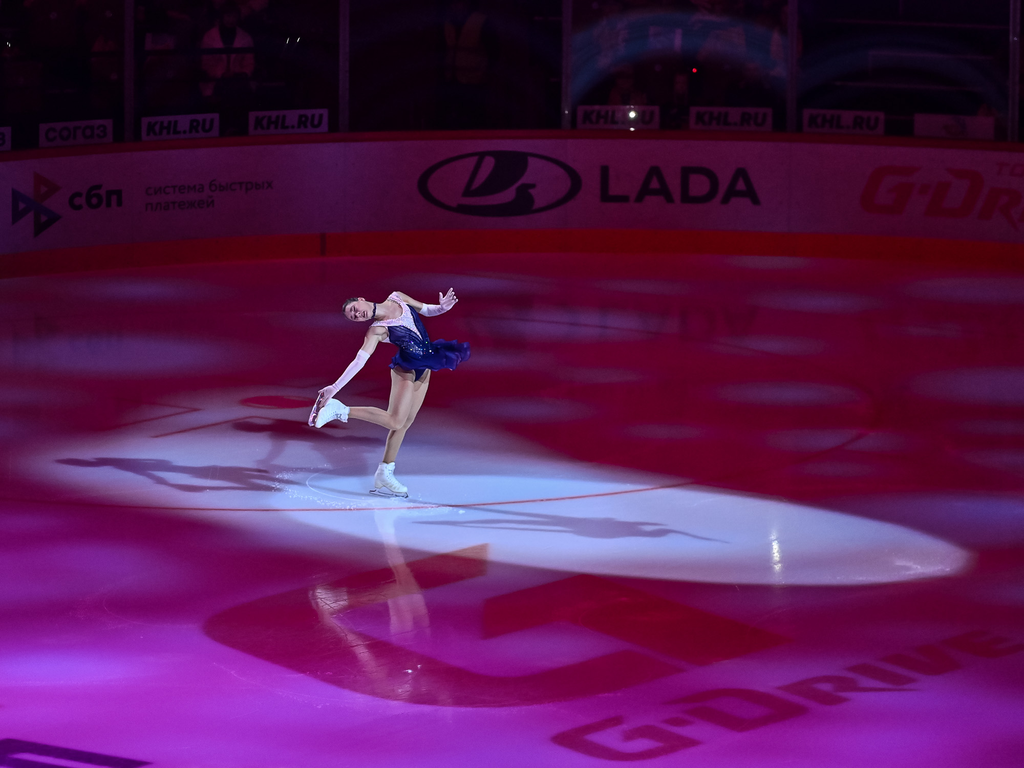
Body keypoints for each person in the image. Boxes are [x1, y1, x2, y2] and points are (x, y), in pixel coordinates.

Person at [308, 289, 469, 498]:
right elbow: (359, 361)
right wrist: (335, 387)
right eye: (353, 317)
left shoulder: (397, 297)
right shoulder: (377, 330)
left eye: (355, 309)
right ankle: (340, 409)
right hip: (406, 369)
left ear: (361, 298)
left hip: (426, 365)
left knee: (406, 423)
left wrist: (442, 308)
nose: (357, 315)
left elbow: (426, 310)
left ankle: (385, 472)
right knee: (395, 421)